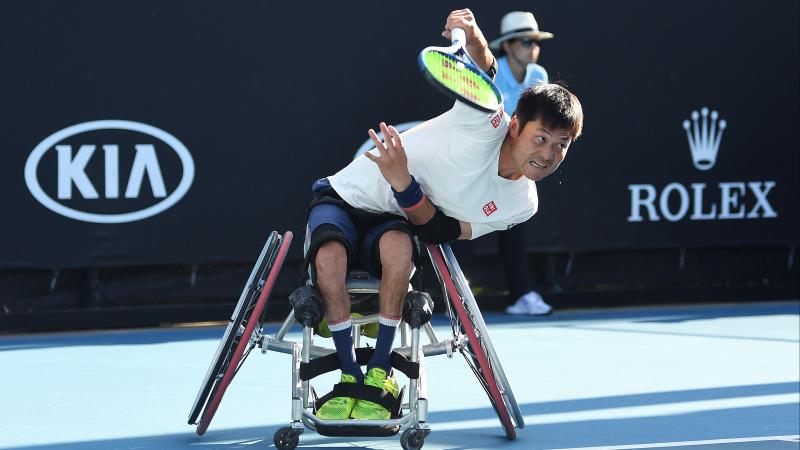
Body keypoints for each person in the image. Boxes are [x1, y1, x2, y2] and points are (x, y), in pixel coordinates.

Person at [306, 9, 583, 421]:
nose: (547, 154)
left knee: (400, 251)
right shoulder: (485, 122)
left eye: (561, 145)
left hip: (395, 215)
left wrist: (403, 184)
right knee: (330, 258)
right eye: (540, 138)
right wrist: (472, 34)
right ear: (514, 126)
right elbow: (484, 77)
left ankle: (379, 372)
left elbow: (438, 229)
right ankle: (348, 375)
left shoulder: (523, 202)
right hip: (348, 194)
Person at [489, 10, 557, 316]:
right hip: (483, 160)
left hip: (514, 165)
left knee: (513, 224)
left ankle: (521, 294)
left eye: (536, 42)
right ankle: (456, 300)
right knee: (460, 226)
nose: (533, 48)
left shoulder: (538, 76)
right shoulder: (489, 72)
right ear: (508, 46)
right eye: (526, 41)